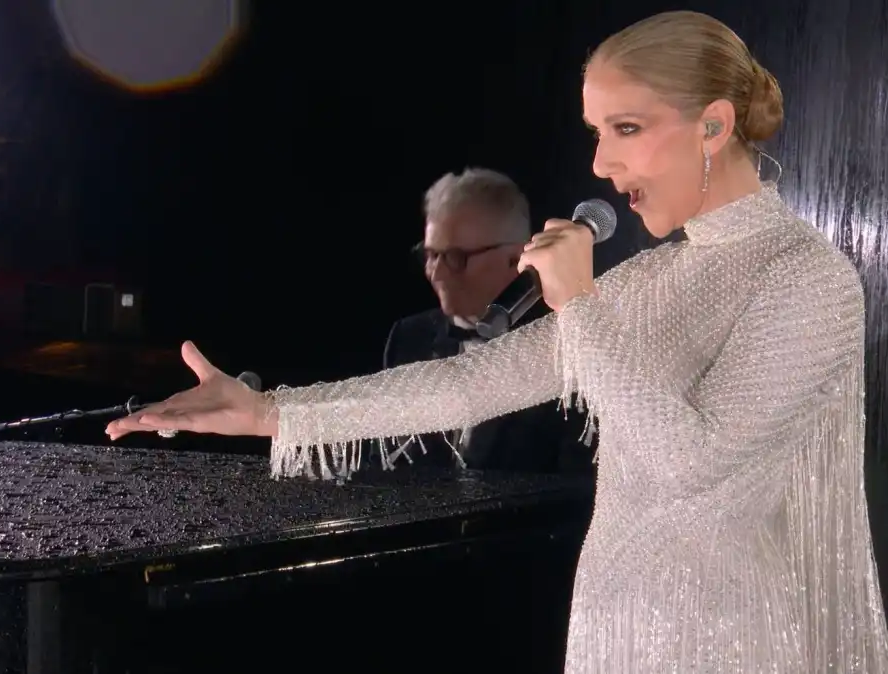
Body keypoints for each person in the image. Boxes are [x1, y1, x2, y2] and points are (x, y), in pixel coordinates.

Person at [107, 10, 888, 672]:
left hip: (733, 647)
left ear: (714, 124)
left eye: (626, 128)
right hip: (612, 636)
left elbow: (693, 465)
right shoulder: (650, 281)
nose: (601, 162)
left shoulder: (805, 278)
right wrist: (269, 412)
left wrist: (578, 303)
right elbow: (468, 383)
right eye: (596, 133)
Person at [385, 167, 594, 472]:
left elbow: (578, 480)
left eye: (456, 258)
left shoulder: (569, 345)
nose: (436, 273)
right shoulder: (409, 335)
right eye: (430, 255)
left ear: (517, 258)